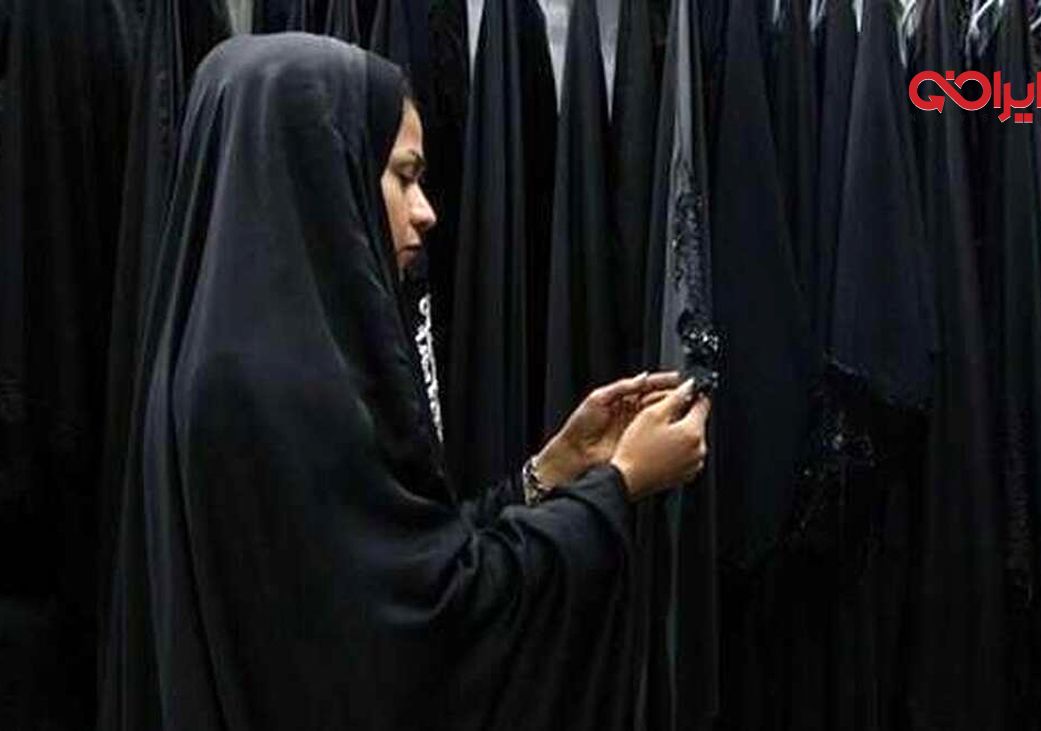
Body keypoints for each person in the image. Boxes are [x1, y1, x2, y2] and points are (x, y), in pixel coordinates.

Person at [98, 33, 709, 731]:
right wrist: (620, 486)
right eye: (403, 175)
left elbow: (392, 560)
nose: (426, 210)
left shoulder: (219, 358)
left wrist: (548, 473)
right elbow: (427, 630)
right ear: (323, 175)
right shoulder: (286, 392)